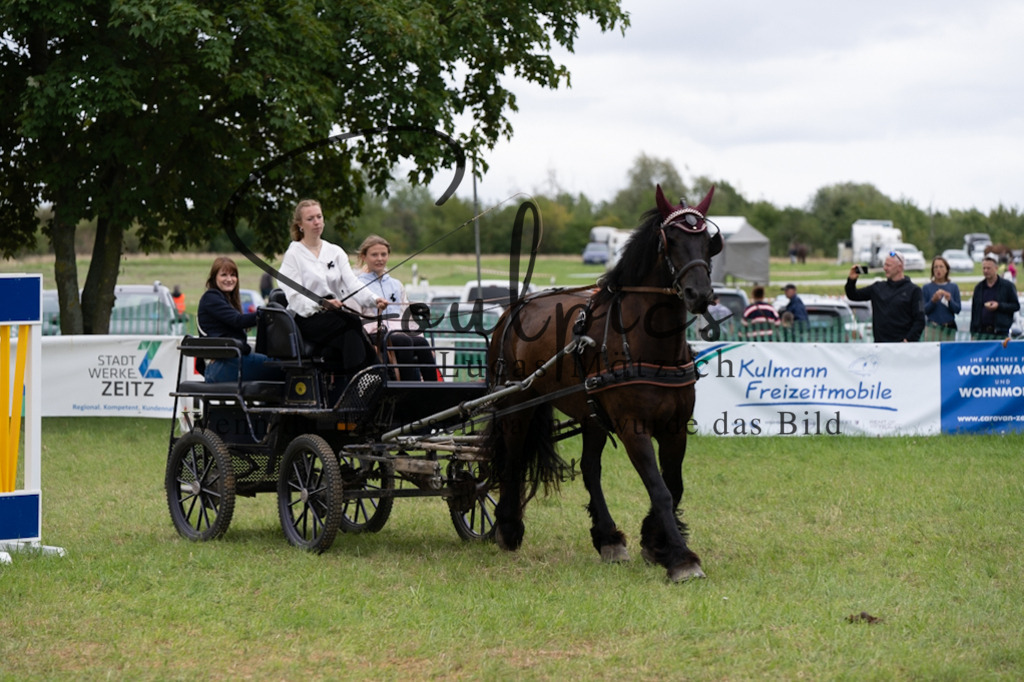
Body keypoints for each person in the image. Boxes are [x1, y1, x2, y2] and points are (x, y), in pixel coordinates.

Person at [278, 199, 387, 370]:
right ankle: (371, 376)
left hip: (335, 316)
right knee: (352, 322)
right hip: (306, 318)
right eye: (310, 219)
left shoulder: (335, 251)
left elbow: (353, 284)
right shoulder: (293, 255)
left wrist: (374, 299)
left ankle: (369, 376)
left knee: (350, 332)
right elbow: (296, 297)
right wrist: (322, 303)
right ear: (300, 225)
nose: (316, 222)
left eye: (319, 217)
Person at [356, 234, 437, 381]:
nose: (380, 259)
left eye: (383, 254)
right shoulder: (357, 285)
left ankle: (433, 387)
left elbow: (406, 315)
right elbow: (355, 317)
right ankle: (406, 387)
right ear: (364, 257)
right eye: (374, 255)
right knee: (404, 341)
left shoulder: (396, 285)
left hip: (397, 333)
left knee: (422, 343)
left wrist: (418, 335)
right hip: (374, 335)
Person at [196, 257, 282, 382]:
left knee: (276, 363)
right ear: (214, 278)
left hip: (226, 362)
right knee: (284, 367)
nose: (229, 279)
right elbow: (238, 321)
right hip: (222, 365)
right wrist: (267, 313)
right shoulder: (211, 297)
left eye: (233, 275)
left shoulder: (224, 300)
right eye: (224, 275)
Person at [845, 249, 924, 342]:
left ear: (900, 267)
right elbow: (853, 295)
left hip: (903, 346)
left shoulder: (914, 291)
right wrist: (851, 280)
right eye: (884, 265)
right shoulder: (877, 288)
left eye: (888, 265)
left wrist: (908, 340)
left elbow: (920, 320)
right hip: (880, 346)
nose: (885, 268)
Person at [970, 254, 1020, 339]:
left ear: (996, 268)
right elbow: (974, 312)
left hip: (1000, 333)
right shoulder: (978, 288)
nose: (986, 271)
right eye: (984, 268)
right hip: (981, 333)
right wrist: (972, 333)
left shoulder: (1007, 286)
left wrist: (999, 306)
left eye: (988, 268)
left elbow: (1015, 306)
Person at [921, 255, 961, 341]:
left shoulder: (953, 287)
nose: (938, 270)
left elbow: (957, 310)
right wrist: (933, 301)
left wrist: (950, 301)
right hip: (932, 329)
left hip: (949, 329)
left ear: (946, 269)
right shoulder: (926, 288)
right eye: (935, 267)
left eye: (941, 267)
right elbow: (922, 310)